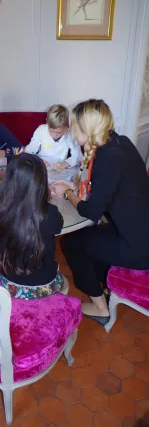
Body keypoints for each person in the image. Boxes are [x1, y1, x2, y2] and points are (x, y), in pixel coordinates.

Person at [52, 99, 149, 325]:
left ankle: (100, 308)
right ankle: (103, 287)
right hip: (138, 232)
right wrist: (75, 188)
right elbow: (111, 188)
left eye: (75, 127)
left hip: (139, 247)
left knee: (74, 243)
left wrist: (68, 195)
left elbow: (92, 212)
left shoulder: (107, 157)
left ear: (86, 129)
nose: (73, 132)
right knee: (89, 239)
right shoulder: (119, 143)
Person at [0, 153, 64, 300]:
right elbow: (58, 227)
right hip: (46, 284)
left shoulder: (1, 212)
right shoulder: (50, 212)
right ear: (42, 183)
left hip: (10, 284)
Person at [25, 104, 82, 170]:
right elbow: (29, 150)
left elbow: (79, 157)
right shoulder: (41, 130)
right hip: (41, 168)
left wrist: (65, 163)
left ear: (67, 126)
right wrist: (38, 160)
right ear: (47, 122)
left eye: (59, 132)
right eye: (51, 131)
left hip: (60, 170)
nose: (54, 135)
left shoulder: (70, 133)